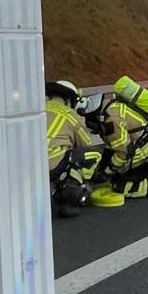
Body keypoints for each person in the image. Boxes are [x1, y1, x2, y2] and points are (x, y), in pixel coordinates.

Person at [46, 80, 117, 214]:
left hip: (28, 166)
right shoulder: (71, 115)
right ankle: (69, 190)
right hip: (52, 165)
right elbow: (86, 144)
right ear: (70, 100)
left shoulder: (40, 109)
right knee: (93, 155)